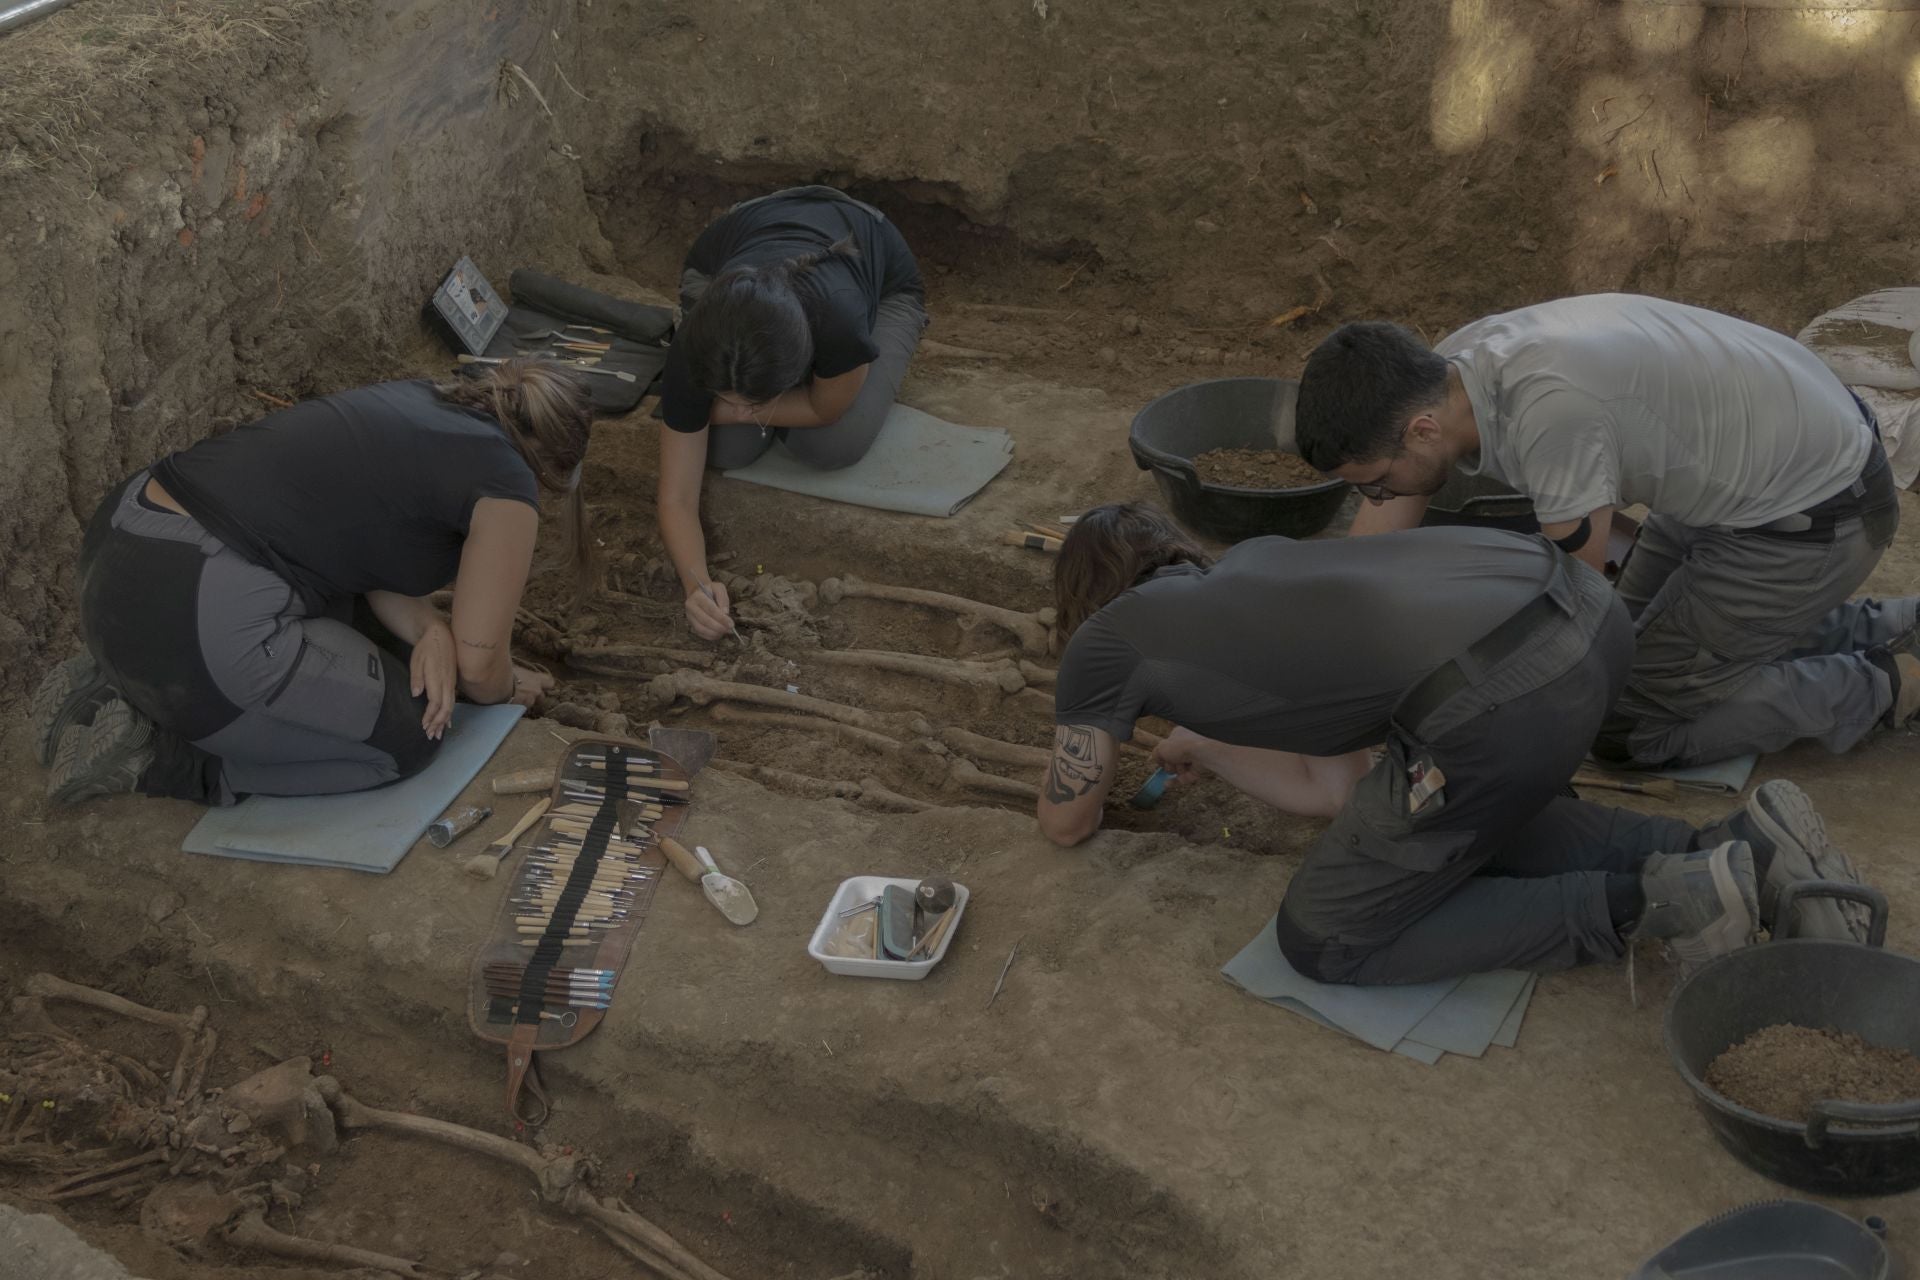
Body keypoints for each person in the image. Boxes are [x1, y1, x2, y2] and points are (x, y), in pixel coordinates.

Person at [1037, 503, 1867, 987]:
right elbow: (1340, 795)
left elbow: (1067, 822)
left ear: (1088, 597)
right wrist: (1210, 746)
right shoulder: (1262, 576)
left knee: (1326, 936)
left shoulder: (1103, 644)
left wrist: (1101, 734)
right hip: (1587, 623)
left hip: (1499, 697)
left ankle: (1655, 904)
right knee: (1442, 822)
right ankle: (1736, 851)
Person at [1292, 293, 1919, 770]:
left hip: (1815, 518)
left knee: (1624, 725)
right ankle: (1896, 625)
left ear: (1422, 431)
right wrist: (1333, 654)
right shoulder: (1448, 371)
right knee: (1639, 648)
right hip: (1747, 476)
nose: (1375, 498)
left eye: (1375, 482)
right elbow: (1375, 556)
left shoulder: (1549, 417)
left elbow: (1573, 620)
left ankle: (1889, 684)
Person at [31, 362, 585, 808]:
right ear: (551, 469)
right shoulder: (509, 482)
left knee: (400, 657)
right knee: (411, 736)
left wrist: (430, 629)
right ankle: (163, 757)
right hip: (200, 611)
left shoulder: (426, 398)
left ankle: (117, 682)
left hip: (119, 557)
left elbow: (358, 546)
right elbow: (481, 668)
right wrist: (508, 687)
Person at [654, 186, 928, 642]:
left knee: (833, 442)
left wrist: (711, 413)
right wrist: (696, 587)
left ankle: (763, 400)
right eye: (728, 394)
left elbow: (824, 408)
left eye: (753, 398)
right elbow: (676, 497)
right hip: (736, 238)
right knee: (729, 449)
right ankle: (750, 407)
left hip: (871, 253)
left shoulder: (838, 321)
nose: (738, 407)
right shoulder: (699, 347)